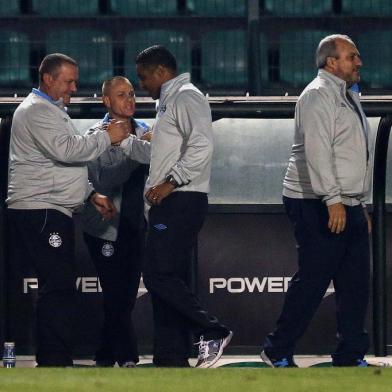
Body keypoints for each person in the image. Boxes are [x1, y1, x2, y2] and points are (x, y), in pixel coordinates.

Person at [6, 53, 132, 367]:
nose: (73, 87)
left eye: (74, 81)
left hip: (51, 207)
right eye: (68, 81)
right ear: (47, 78)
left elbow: (58, 161)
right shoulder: (38, 111)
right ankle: (54, 359)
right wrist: (107, 136)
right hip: (42, 207)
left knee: (59, 282)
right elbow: (66, 151)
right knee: (59, 283)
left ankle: (54, 357)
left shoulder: (51, 110)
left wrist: (89, 193)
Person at [261, 35, 371, 367]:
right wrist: (333, 200)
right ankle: (276, 350)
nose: (359, 62)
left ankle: (350, 355)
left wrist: (358, 203)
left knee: (355, 283)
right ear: (331, 62)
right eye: (353, 56)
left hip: (345, 202)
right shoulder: (317, 96)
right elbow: (318, 153)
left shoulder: (347, 95)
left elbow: (351, 154)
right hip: (316, 201)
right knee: (313, 280)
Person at [134, 45, 232, 368]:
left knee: (157, 274)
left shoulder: (186, 97)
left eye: (144, 77)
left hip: (179, 198)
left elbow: (203, 145)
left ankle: (211, 330)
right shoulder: (169, 103)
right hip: (169, 201)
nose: (142, 85)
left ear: (161, 73)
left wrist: (170, 182)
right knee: (167, 277)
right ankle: (171, 357)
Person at [82, 76, 151, 368]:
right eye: (122, 95)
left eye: (132, 93)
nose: (130, 99)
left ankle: (104, 355)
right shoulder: (96, 134)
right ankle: (127, 358)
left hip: (137, 226)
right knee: (116, 295)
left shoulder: (147, 131)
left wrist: (139, 145)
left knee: (125, 297)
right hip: (105, 228)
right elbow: (104, 181)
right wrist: (136, 151)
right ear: (107, 102)